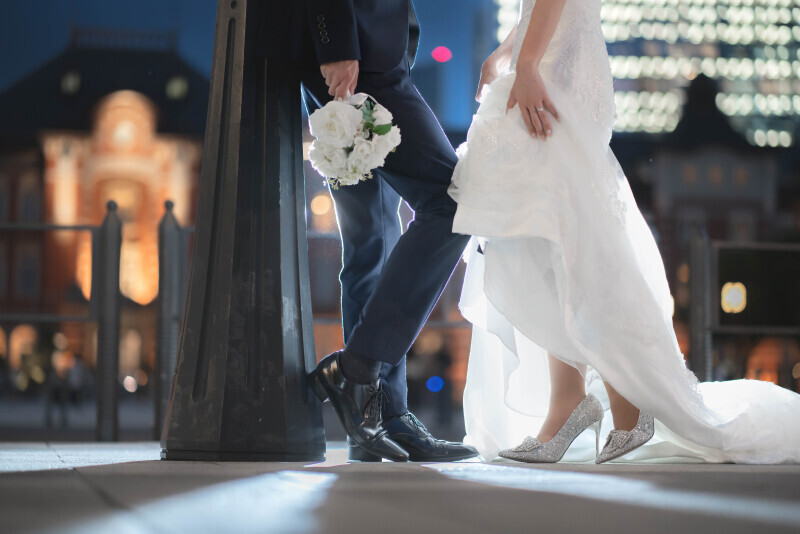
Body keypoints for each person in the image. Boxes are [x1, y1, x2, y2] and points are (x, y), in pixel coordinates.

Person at [450, 0, 800, 464]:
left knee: (567, 235)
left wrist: (528, 61)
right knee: (547, 235)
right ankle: (576, 396)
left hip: (555, 64)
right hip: (550, 55)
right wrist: (509, 51)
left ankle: (617, 400)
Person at [260, 0, 477, 462]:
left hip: (362, 53)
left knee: (371, 244)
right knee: (454, 202)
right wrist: (336, 40)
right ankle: (357, 371)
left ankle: (378, 417)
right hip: (355, 55)